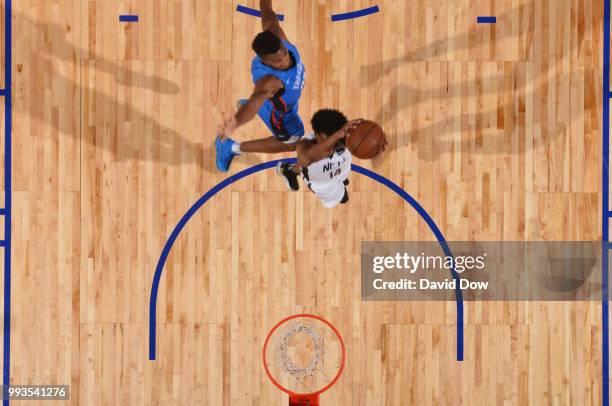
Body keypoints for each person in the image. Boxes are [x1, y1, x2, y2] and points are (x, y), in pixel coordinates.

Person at [215, 0, 305, 191]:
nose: (285, 60)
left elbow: (266, 9)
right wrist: (235, 123)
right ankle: (230, 147)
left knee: (266, 103)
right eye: (278, 61)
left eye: (285, 54)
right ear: (266, 62)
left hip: (285, 101)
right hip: (281, 113)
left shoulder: (275, 34)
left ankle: (264, 107)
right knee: (293, 142)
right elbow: (253, 105)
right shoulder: (269, 82)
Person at [297, 109, 361, 208]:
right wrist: (336, 136)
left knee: (342, 175)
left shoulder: (344, 138)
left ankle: (341, 179)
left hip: (339, 171)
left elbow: (363, 141)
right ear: (317, 135)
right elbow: (307, 156)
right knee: (344, 199)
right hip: (325, 186)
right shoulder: (306, 146)